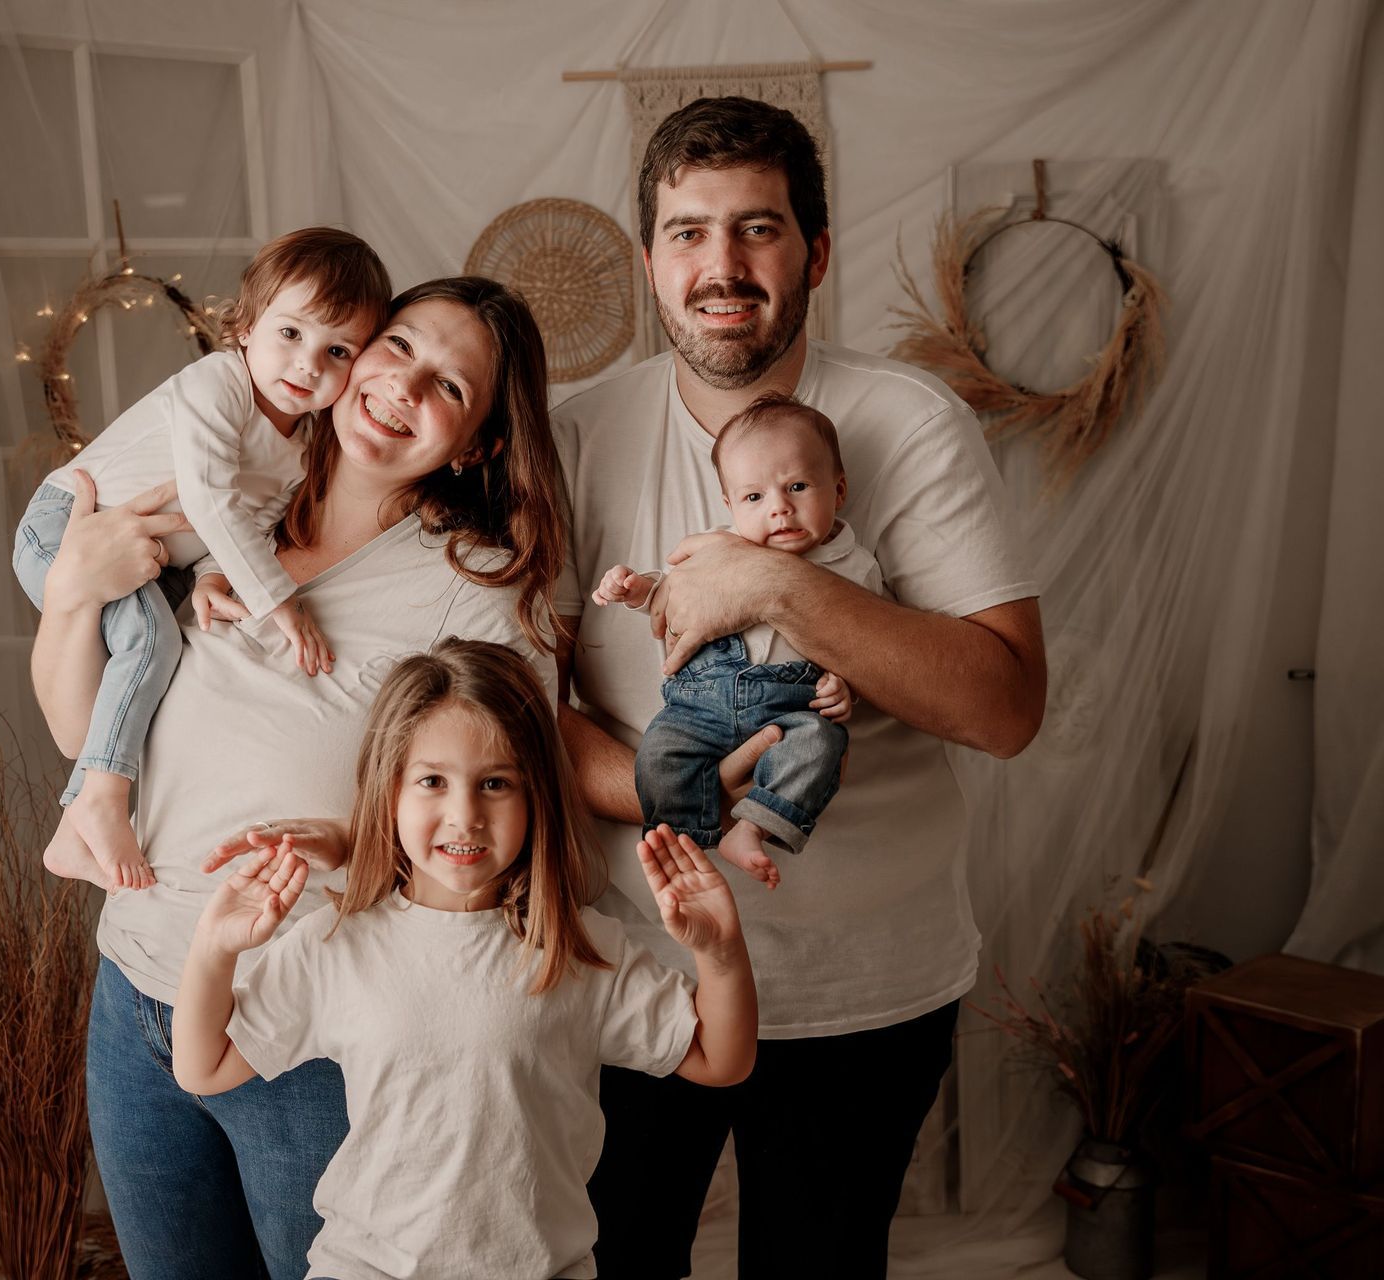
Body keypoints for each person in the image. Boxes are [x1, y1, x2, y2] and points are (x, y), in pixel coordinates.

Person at [553, 96, 1048, 1276]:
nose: (720, 267)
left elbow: (1006, 706)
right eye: (687, 232)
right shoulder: (575, 433)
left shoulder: (906, 422)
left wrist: (771, 588)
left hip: (861, 988)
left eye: (757, 229)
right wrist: (693, 801)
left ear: (815, 251)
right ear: (649, 259)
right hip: (629, 972)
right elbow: (521, 710)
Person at [29, 277, 569, 1280]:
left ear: (479, 442)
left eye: (448, 385)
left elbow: (501, 831)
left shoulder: (473, 585)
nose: (403, 385)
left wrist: (356, 845)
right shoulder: (231, 494)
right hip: (138, 986)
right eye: (397, 345)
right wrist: (70, 595)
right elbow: (81, 730)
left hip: (308, 1018)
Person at [172, 638, 758, 1280]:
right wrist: (214, 948)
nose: (465, 815)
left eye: (496, 783)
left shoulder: (578, 948)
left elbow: (720, 1060)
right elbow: (205, 1067)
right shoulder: (336, 943)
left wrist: (721, 955)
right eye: (432, 781)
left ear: (537, 797)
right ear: (388, 791)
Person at [13, 227, 390, 892]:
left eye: (337, 351)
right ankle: (96, 803)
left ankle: (75, 832)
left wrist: (216, 576)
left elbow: (246, 523)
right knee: (153, 646)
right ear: (244, 327)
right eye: (291, 334)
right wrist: (280, 602)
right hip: (68, 526)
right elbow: (210, 495)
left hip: (157, 560)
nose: (308, 365)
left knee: (163, 665)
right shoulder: (217, 386)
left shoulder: (300, 449)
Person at [591, 393, 873, 887]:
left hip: (792, 709)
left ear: (839, 489)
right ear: (730, 505)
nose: (780, 509)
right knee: (659, 754)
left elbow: (867, 646)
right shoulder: (719, 549)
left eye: (799, 486)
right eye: (754, 497)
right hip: (698, 708)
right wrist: (637, 589)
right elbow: (671, 596)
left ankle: (751, 827)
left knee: (822, 744)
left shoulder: (856, 568)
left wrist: (845, 687)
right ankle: (682, 847)